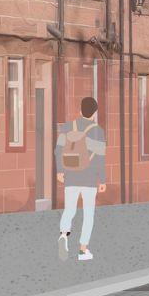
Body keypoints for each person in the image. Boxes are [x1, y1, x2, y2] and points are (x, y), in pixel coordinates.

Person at [55, 96, 106, 262]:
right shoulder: (98, 131)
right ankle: (83, 250)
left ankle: (63, 234)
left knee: (70, 209)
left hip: (71, 175)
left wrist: (60, 171)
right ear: (94, 113)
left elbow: (58, 150)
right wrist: (102, 180)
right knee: (88, 214)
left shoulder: (69, 127)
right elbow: (100, 158)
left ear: (80, 110)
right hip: (89, 179)